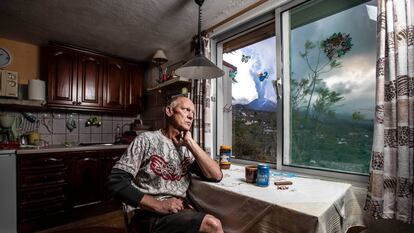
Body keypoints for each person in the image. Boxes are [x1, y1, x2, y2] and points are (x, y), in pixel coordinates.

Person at [105, 96, 224, 233]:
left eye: (193, 113)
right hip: (148, 214)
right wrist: (158, 205)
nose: (191, 116)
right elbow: (115, 182)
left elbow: (216, 175)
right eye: (186, 110)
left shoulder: (186, 148)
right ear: (169, 111)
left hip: (179, 211)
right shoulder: (146, 140)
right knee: (212, 225)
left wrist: (190, 143)